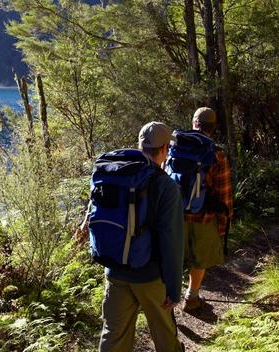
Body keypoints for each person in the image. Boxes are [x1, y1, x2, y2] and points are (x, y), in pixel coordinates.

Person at [97, 121, 184, 352]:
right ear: (165, 149)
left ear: (139, 145)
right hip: (150, 276)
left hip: (115, 271)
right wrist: (174, 289)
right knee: (165, 335)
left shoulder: (114, 174)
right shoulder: (166, 186)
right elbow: (171, 242)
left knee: (114, 336)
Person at [181, 107, 234, 312]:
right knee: (199, 259)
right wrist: (224, 223)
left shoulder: (174, 147)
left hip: (175, 216)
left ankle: (167, 302)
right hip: (203, 217)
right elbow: (224, 193)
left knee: (173, 259)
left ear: (194, 123)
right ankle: (191, 298)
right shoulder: (216, 153)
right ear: (213, 127)